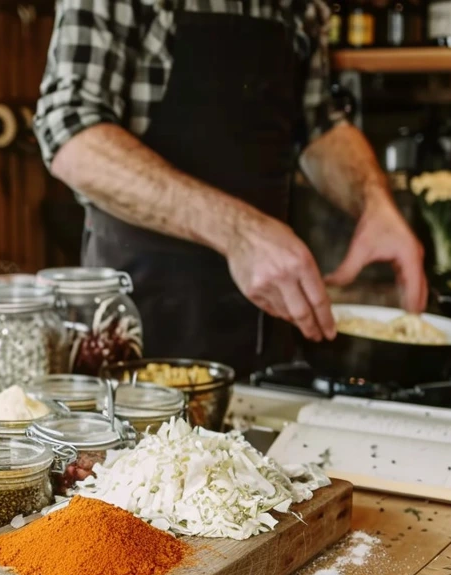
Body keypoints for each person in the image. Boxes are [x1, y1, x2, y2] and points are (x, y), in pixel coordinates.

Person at [34, 0, 428, 376]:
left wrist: (375, 204)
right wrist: (239, 232)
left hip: (266, 326)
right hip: (138, 326)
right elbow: (71, 133)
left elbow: (319, 124)